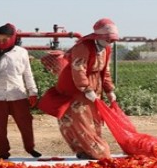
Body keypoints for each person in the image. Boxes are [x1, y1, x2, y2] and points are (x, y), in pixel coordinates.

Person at [37, 18, 118, 160]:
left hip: (95, 87)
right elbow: (78, 69)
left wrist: (109, 90)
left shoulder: (106, 49)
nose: (110, 42)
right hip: (75, 87)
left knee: (93, 120)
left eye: (112, 40)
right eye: (108, 39)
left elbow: (105, 71)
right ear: (98, 37)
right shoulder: (84, 47)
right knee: (80, 121)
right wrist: (86, 89)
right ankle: (94, 151)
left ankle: (88, 150)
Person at [0, 23, 41, 161]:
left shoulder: (21, 52)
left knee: (25, 123)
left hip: (17, 94)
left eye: (5, 39)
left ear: (13, 38)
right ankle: (3, 153)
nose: (1, 42)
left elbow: (28, 74)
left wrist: (32, 92)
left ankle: (30, 148)